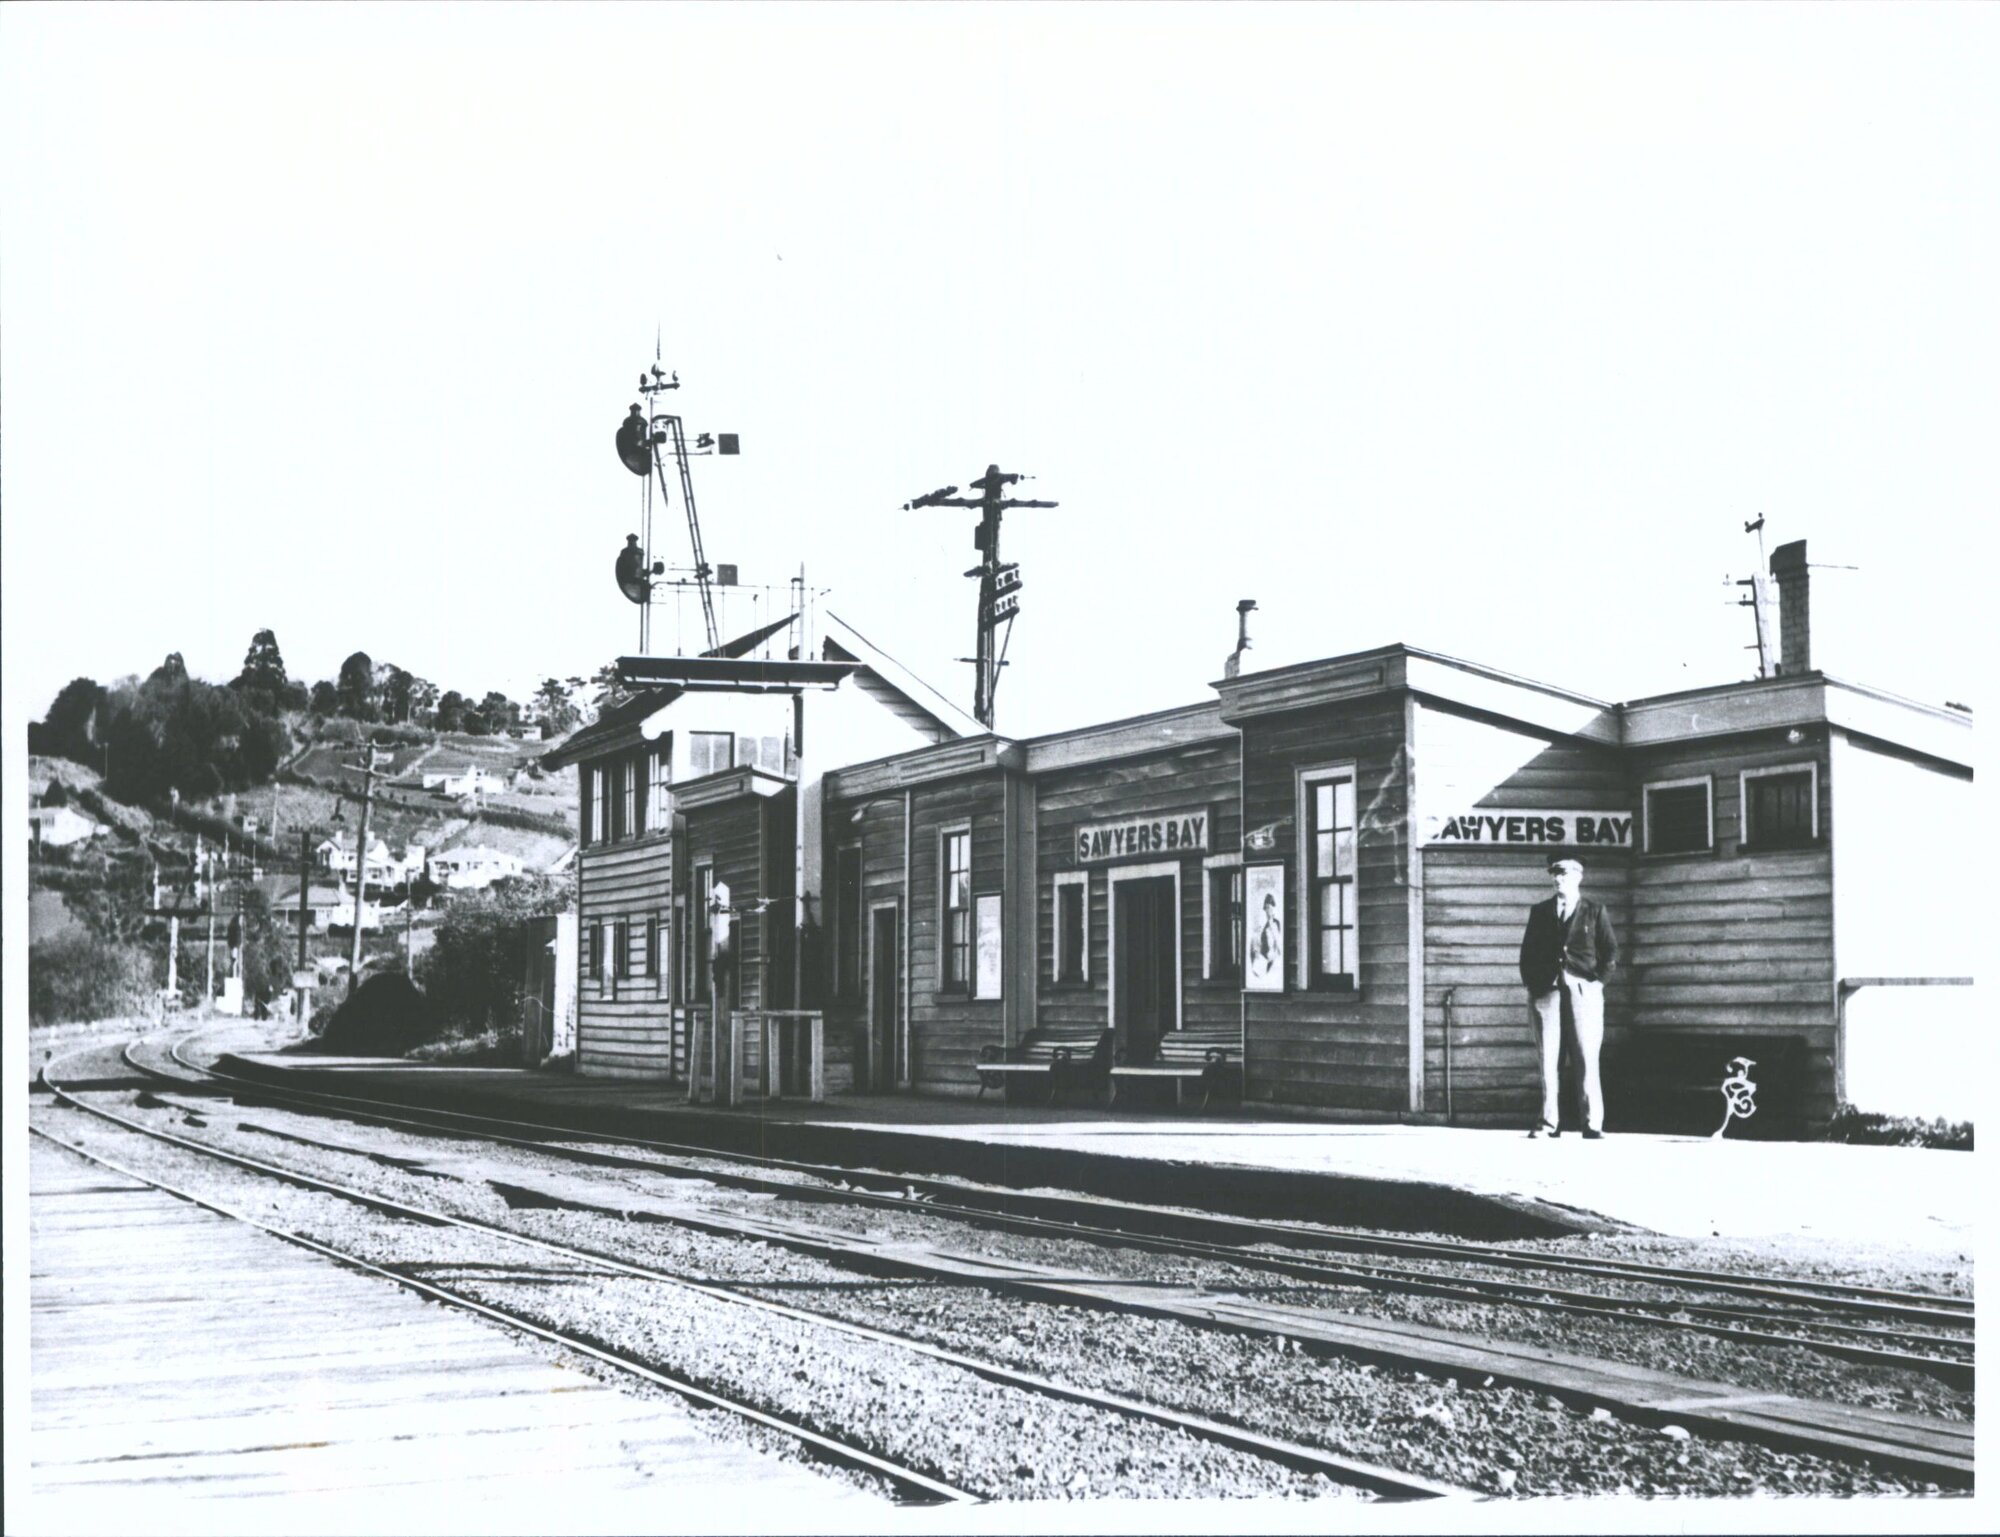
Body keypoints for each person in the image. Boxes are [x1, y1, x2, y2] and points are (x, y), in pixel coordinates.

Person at [1518, 856, 1617, 1139]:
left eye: (1562, 873)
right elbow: (1527, 953)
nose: (1557, 878)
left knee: (1586, 1055)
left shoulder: (1595, 911)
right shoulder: (1540, 912)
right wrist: (1533, 985)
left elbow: (1610, 951)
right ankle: (1548, 1123)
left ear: (1578, 876)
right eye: (1554, 873)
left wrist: (1598, 982)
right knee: (1549, 1058)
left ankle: (1592, 1123)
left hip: (1583, 990)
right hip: (1546, 992)